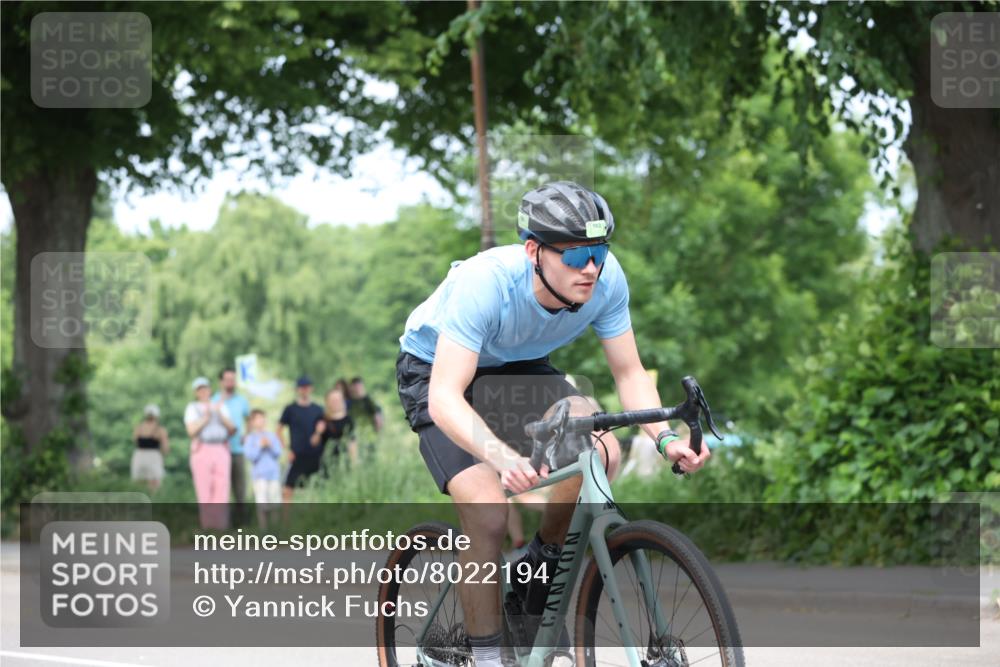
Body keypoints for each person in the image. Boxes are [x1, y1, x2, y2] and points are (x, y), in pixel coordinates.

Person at [396, 181, 711, 667]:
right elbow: (444, 397)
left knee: (601, 448)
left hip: (520, 367)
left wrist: (666, 439)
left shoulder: (606, 281)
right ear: (533, 252)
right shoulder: (486, 283)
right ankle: (487, 658)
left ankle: (540, 565)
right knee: (488, 513)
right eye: (577, 255)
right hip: (439, 371)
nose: (591, 268)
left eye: (599, 252)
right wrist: (501, 457)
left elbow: (630, 373)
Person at [185, 376, 236, 530]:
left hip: (221, 447)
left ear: (209, 390)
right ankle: (208, 526)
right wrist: (206, 417)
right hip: (202, 448)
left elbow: (232, 429)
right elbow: (191, 431)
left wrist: (219, 413)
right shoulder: (192, 408)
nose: (203, 392)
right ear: (196, 392)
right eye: (200, 389)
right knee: (204, 489)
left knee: (222, 488)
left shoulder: (220, 406)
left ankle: (221, 527)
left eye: (205, 388)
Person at [213, 367, 251, 526]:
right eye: (227, 379)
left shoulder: (242, 400)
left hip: (238, 450)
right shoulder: (214, 400)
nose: (230, 382)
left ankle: (242, 523)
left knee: (240, 489)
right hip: (219, 450)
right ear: (221, 381)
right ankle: (222, 523)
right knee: (221, 490)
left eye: (233, 379)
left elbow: (249, 419)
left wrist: (247, 434)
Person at [278, 375, 325, 502]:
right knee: (287, 489)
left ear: (311, 389)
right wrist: (287, 450)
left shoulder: (318, 409)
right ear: (297, 389)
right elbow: (279, 430)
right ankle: (286, 515)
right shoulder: (290, 409)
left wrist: (318, 434)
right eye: (302, 387)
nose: (305, 390)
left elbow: (324, 430)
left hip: (315, 454)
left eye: (307, 387)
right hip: (296, 455)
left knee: (316, 488)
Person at [243, 409, 282, 530]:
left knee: (275, 503)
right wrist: (260, 446)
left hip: (273, 475)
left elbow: (278, 453)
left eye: (262, 418)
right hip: (259, 476)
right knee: (262, 504)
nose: (261, 421)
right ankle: (263, 530)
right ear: (253, 422)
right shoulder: (250, 438)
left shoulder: (272, 436)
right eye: (258, 419)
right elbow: (250, 456)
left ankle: (275, 529)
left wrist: (270, 445)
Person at [131, 404, 169, 494]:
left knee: (139, 485)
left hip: (139, 456)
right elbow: (166, 448)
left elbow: (135, 441)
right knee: (155, 486)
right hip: (154, 457)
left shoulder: (138, 428)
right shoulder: (160, 430)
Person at [320, 386, 355, 464]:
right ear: (327, 402)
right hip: (327, 462)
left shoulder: (349, 420)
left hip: (344, 462)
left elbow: (352, 442)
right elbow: (314, 444)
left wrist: (354, 462)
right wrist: (318, 432)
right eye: (333, 400)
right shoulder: (322, 419)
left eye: (338, 400)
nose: (335, 403)